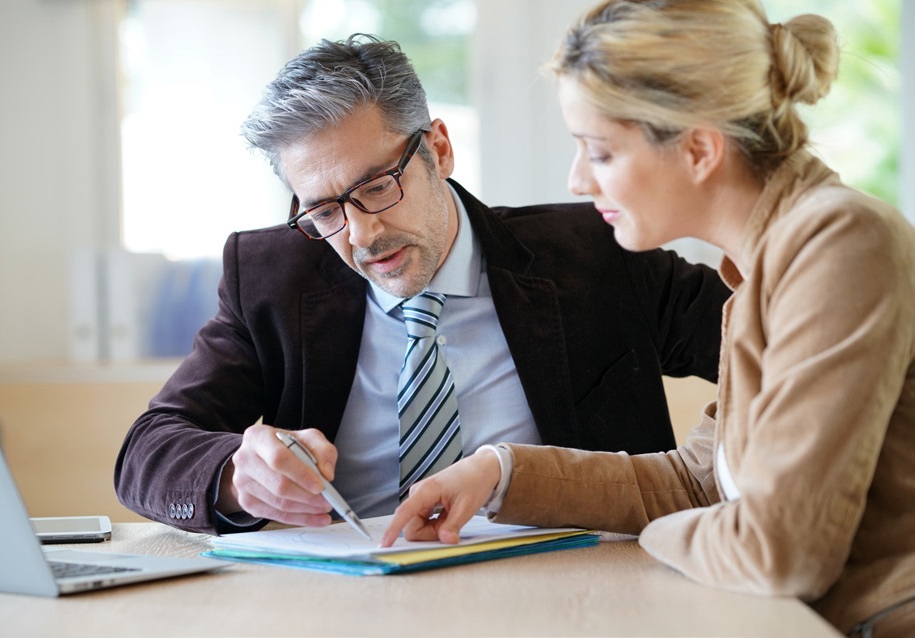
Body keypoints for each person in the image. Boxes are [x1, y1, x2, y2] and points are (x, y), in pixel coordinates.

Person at [382, 2, 915, 636]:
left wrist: (659, 538)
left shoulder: (839, 243)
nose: (577, 180)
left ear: (698, 149)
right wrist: (500, 471)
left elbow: (779, 552)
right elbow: (699, 481)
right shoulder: (766, 266)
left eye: (600, 153)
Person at [114, 34, 729, 538]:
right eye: (324, 211)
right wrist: (233, 475)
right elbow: (148, 449)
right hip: (351, 595)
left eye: (378, 185)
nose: (361, 234)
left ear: (439, 148)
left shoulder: (595, 252)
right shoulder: (272, 276)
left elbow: (780, 349)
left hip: (574, 588)